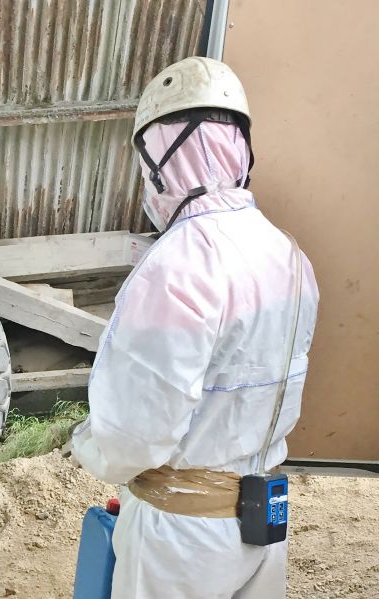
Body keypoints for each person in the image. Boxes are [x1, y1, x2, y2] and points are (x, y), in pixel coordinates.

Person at [70, 57, 319, 597]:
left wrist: (85, 445)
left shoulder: (177, 266)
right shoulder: (291, 257)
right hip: (265, 524)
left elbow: (133, 433)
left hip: (182, 533)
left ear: (161, 157)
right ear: (240, 148)